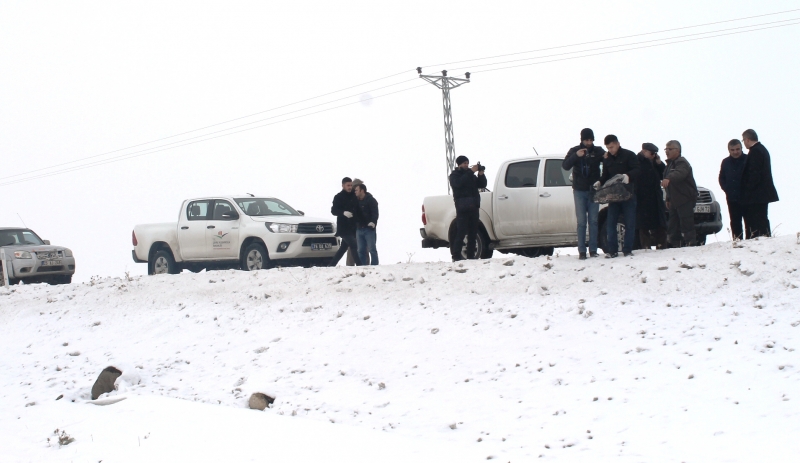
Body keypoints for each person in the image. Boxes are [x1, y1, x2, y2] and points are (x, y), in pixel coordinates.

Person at [595, 135, 640, 258]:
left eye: (612, 147)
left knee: (630, 223)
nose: (611, 150)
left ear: (618, 144)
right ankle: (612, 250)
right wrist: (600, 182)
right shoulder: (607, 159)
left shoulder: (629, 155)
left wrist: (628, 176)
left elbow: (637, 170)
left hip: (628, 194)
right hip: (614, 196)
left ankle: (627, 250)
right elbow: (605, 175)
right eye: (608, 148)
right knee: (611, 222)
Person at [562, 128, 604, 259]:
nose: (589, 142)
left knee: (594, 221)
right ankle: (581, 251)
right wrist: (576, 156)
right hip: (579, 190)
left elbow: (608, 161)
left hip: (593, 190)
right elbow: (565, 166)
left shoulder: (598, 151)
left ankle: (593, 250)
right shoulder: (574, 150)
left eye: (591, 140)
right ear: (582, 140)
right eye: (587, 140)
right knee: (581, 222)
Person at [740, 129, 779, 238]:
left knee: (757, 218)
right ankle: (764, 236)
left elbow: (754, 174)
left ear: (747, 139)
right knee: (762, 217)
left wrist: (748, 189)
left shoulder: (755, 151)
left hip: (757, 193)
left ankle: (761, 237)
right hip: (762, 192)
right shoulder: (762, 149)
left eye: (743, 140)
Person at [661, 140, 698, 247]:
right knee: (673, 225)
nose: (667, 151)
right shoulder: (669, 164)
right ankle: (674, 245)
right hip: (674, 200)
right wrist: (668, 198)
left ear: (677, 150)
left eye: (670, 149)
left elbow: (679, 173)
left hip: (685, 199)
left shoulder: (682, 162)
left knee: (686, 223)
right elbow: (669, 186)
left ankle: (691, 244)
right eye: (666, 149)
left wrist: (669, 178)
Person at [449, 155, 487, 261]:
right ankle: (456, 256)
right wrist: (471, 172)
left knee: (473, 232)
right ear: (459, 164)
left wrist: (481, 174)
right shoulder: (454, 175)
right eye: (464, 163)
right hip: (462, 208)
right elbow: (459, 183)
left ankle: (471, 256)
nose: (466, 165)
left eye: (467, 163)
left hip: (474, 207)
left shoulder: (470, 175)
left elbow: (482, 184)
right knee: (461, 232)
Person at [636, 142, 668, 249]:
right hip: (643, 196)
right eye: (652, 153)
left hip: (656, 196)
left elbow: (664, 173)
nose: (654, 155)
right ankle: (646, 246)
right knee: (644, 223)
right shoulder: (638, 161)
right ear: (644, 151)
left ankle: (661, 244)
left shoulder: (654, 162)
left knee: (660, 221)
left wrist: (659, 163)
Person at [718, 139, 749, 240]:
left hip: (747, 197)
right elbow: (721, 177)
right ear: (729, 150)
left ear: (741, 148)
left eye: (737, 149)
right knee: (735, 221)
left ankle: (750, 241)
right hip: (732, 197)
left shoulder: (748, 159)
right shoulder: (725, 162)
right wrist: (727, 189)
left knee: (749, 221)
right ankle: (737, 240)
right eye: (733, 150)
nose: (735, 152)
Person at [329, 177, 362, 266]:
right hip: (343, 228)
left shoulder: (354, 196)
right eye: (348, 185)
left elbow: (358, 210)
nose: (350, 187)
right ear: (343, 185)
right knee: (354, 245)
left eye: (351, 185)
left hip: (353, 227)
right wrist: (343, 213)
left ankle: (331, 265)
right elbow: (333, 211)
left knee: (343, 249)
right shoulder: (338, 197)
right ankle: (359, 265)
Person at [354, 183, 379, 265]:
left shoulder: (371, 200)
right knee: (360, 250)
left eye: (357, 190)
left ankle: (375, 266)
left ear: (362, 190)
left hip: (369, 229)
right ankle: (362, 267)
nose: (355, 192)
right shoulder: (355, 201)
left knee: (372, 249)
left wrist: (373, 222)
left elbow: (375, 213)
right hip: (359, 228)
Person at [346, 178, 364, 266]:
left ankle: (361, 264)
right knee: (353, 247)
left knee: (360, 246)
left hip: (359, 226)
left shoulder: (363, 198)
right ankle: (351, 265)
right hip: (353, 227)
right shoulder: (351, 198)